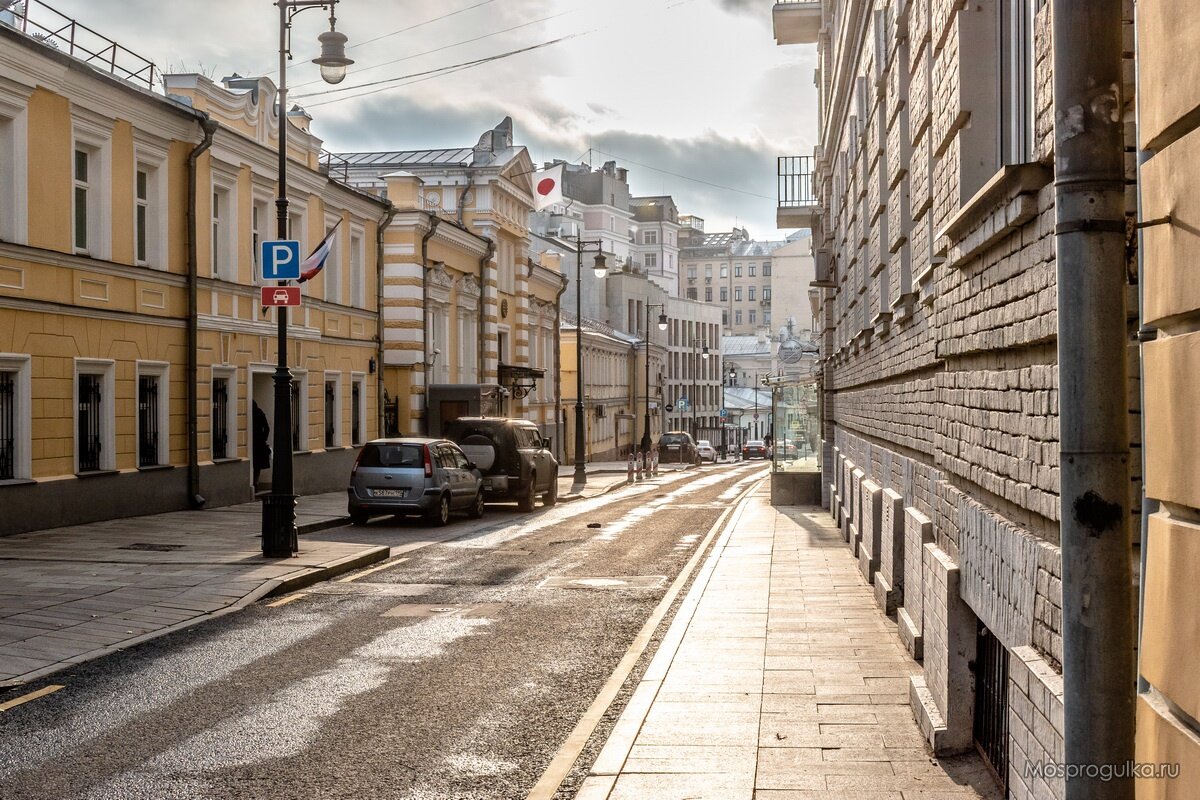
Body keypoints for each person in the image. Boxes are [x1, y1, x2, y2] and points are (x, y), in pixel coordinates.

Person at [252, 401, 271, 489]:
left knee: (254, 463)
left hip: (253, 441)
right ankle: (256, 482)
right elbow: (267, 428)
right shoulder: (259, 412)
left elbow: (267, 428)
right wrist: (263, 438)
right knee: (257, 465)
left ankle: (254, 482)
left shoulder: (250, 413)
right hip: (259, 442)